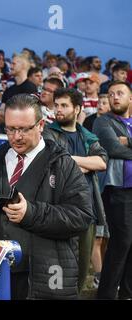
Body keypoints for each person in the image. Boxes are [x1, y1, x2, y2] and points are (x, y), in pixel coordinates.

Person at [0, 94, 93, 299]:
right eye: (10, 129)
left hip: (44, 277)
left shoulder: (63, 164)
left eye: (24, 129)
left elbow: (81, 216)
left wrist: (30, 213)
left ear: (41, 124)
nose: (16, 137)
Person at [42, 88, 107, 293]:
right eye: (56, 105)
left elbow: (102, 162)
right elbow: (56, 162)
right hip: (58, 208)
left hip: (86, 208)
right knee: (59, 267)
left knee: (81, 269)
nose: (58, 110)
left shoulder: (87, 135)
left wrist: (72, 160)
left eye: (64, 105)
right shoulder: (48, 132)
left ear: (77, 109)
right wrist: (86, 164)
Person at [93, 81, 132, 299]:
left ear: (130, 98)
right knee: (121, 242)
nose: (115, 97)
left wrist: (129, 142)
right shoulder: (102, 121)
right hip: (118, 189)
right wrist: (122, 145)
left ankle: (127, 293)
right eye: (111, 94)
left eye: (120, 93)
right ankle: (106, 294)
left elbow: (124, 148)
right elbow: (113, 148)